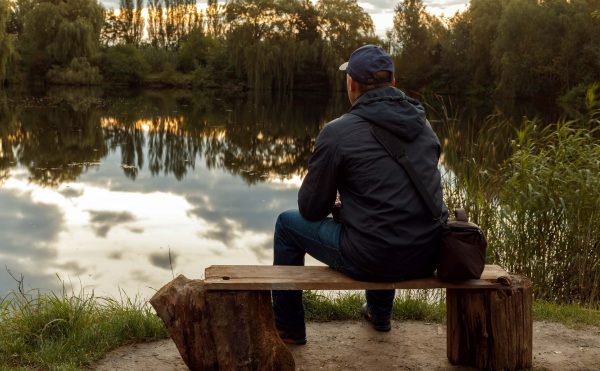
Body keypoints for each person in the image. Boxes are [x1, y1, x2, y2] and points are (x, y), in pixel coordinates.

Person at [272, 44, 448, 345]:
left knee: (287, 225)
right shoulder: (425, 126)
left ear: (352, 85)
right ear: (392, 84)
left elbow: (311, 209)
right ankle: (379, 315)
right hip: (429, 252)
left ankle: (289, 328)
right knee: (383, 221)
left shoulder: (338, 132)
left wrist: (339, 199)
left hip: (372, 257)